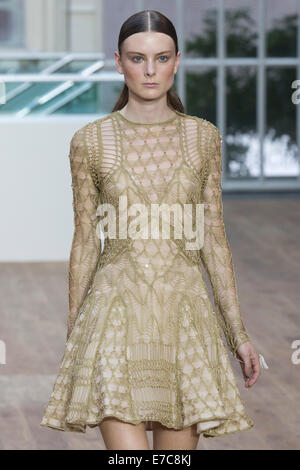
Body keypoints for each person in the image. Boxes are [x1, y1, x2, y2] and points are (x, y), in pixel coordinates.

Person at [40, 9, 268, 450]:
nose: (150, 70)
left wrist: (236, 333)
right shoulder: (90, 141)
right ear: (118, 61)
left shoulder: (203, 138)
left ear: (177, 61)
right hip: (114, 316)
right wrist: (75, 334)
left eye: (161, 58)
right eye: (137, 58)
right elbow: (86, 239)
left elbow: (213, 239)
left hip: (184, 318)